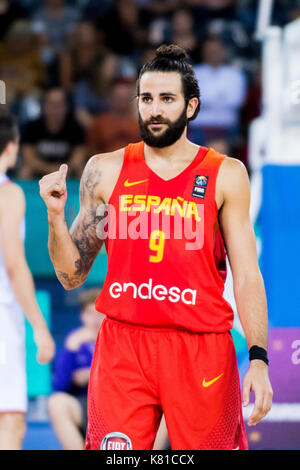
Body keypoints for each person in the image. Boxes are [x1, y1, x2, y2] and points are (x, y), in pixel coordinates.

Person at [39, 44, 273, 450]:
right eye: (146, 98)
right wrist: (56, 219)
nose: (155, 109)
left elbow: (248, 274)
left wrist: (259, 358)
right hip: (124, 346)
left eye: (167, 99)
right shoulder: (105, 169)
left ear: (192, 106)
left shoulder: (226, 174)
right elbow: (70, 274)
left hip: (202, 348)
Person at [0, 111, 55, 450]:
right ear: (11, 147)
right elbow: (15, 266)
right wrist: (40, 327)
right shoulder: (8, 194)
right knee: (10, 419)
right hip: (2, 317)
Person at [48, 288, 105, 450]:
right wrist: (70, 348)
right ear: (82, 316)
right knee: (56, 403)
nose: (95, 319)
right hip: (85, 404)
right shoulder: (75, 340)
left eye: (100, 313)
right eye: (89, 313)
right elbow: (59, 386)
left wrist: (93, 373)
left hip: (115, 405)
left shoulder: (119, 338)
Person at [21, 87, 87, 179]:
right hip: (40, 171)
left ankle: (79, 193)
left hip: (67, 172)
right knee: (25, 170)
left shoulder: (75, 127)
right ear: (44, 106)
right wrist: (50, 169)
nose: (55, 108)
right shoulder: (32, 127)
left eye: (59, 104)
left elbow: (79, 156)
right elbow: (29, 158)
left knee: (81, 169)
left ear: (66, 106)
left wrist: (62, 171)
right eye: (51, 104)